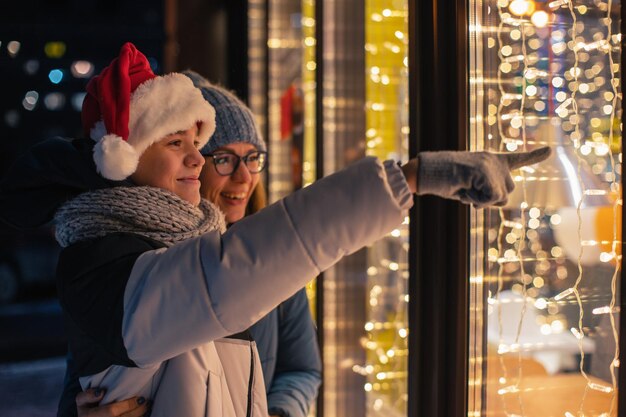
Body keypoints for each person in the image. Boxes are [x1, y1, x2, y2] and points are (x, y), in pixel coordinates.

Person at [0, 42, 549, 417]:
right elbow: (232, 274)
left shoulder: (188, 246)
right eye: (181, 146)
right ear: (125, 158)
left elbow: (285, 362)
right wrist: (410, 178)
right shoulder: (104, 258)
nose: (201, 163)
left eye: (201, 146)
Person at [60, 71, 322, 417]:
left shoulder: (272, 256)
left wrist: (278, 411)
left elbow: (302, 368)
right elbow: (83, 374)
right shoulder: (136, 256)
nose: (244, 177)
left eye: (253, 157)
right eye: (224, 158)